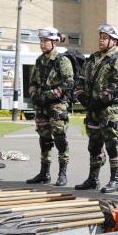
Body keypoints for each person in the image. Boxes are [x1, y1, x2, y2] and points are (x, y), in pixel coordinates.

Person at [73, 24, 118, 193]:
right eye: (100, 37)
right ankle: (93, 179)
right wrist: (82, 96)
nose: (101, 40)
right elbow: (80, 80)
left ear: (114, 41)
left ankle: (115, 180)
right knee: (94, 145)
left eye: (105, 37)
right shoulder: (92, 59)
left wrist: (100, 99)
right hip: (92, 110)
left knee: (112, 144)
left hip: (110, 110)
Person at [26, 27, 74, 187]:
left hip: (57, 107)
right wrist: (34, 95)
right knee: (44, 139)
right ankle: (44, 173)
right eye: (40, 40)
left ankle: (62, 174)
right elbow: (32, 82)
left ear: (54, 42)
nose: (41, 43)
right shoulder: (40, 60)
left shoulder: (62, 61)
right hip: (41, 107)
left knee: (60, 139)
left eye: (45, 40)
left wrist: (48, 95)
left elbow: (68, 84)